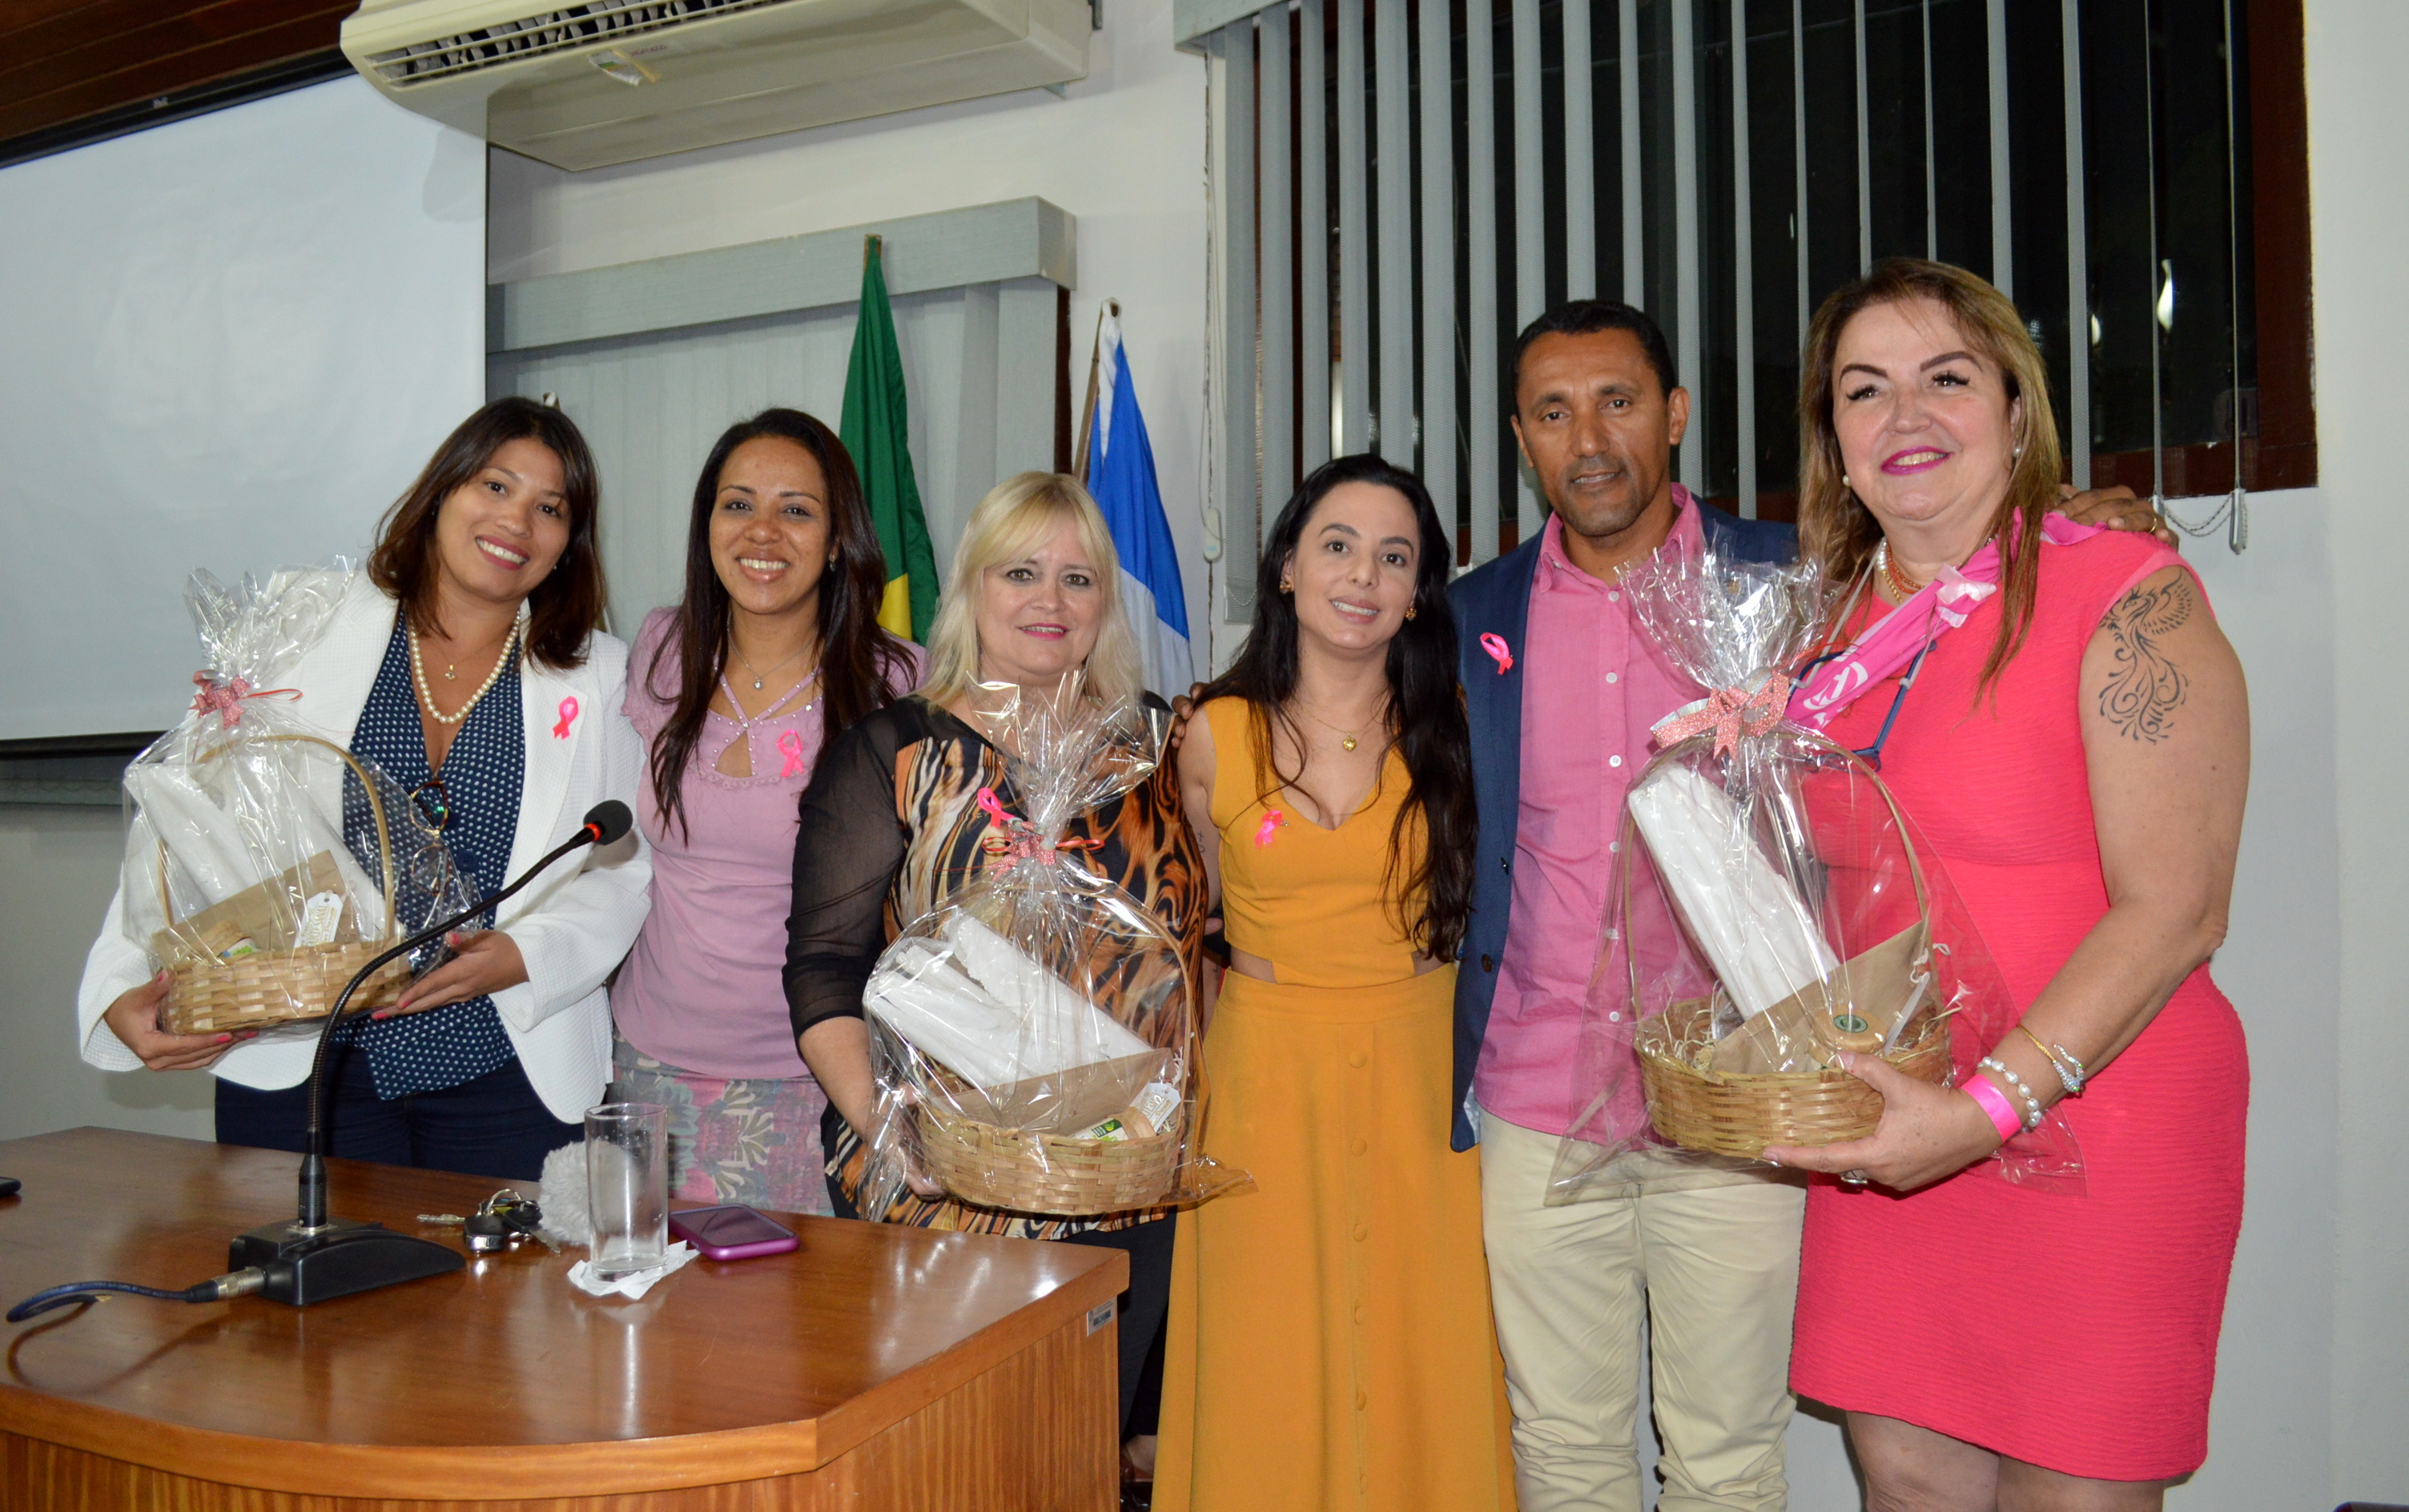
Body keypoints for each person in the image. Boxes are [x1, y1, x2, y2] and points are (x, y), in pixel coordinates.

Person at [1446, 298, 2181, 1512]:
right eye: (1553, 411)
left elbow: (1957, 564)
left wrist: (2073, 522)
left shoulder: (1803, 583)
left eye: (1619, 402)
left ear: (1676, 416)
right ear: (1521, 436)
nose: (1589, 439)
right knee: (1560, 1448)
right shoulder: (1471, 618)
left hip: (1753, 1105)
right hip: (1533, 1101)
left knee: (1727, 1458)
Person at [1764, 259, 2248, 1509]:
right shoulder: (1812, 640)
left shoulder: (2125, 592)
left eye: (1947, 379)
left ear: (2018, 413)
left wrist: (1984, 1112)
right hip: (1892, 1126)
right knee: (1909, 1489)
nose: (1906, 417)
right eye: (1866, 390)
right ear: (1835, 439)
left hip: (2095, 1120)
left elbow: (2180, 910)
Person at [78, 396, 651, 1180]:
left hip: (505, 1060)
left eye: (549, 507)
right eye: (494, 486)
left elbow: (622, 865)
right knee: (300, 1296)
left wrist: (524, 953)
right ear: (441, 493)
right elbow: (189, 817)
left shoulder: (603, 674)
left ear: (569, 542)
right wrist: (119, 981)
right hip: (298, 1057)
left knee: (511, 1304)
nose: (516, 521)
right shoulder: (302, 620)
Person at [782, 471, 1200, 1454]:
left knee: (1094, 1452)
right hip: (948, 1184)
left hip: (1122, 1178)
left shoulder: (1158, 745)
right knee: (962, 1457)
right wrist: (892, 1133)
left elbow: (1205, 943)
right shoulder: (890, 750)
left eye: (1077, 578)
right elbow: (823, 970)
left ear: (1106, 600)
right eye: (1020, 572)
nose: (1048, 602)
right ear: (971, 589)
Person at [1153, 454, 1514, 1512]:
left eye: (1393, 557)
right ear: (1286, 569)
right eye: (1339, 545)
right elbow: (1190, 926)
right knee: (1267, 1354)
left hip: (1420, 1072)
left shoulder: (1460, 729)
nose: (1363, 575)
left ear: (1416, 592)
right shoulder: (1208, 736)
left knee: (1424, 1348)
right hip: (1263, 1077)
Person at [613, 408, 920, 1215]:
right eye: (737, 503)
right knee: (660, 1319)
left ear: (836, 540)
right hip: (650, 1065)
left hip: (821, 1074)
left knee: (802, 1332)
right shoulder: (660, 648)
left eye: (796, 509)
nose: (762, 532)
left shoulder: (900, 685)